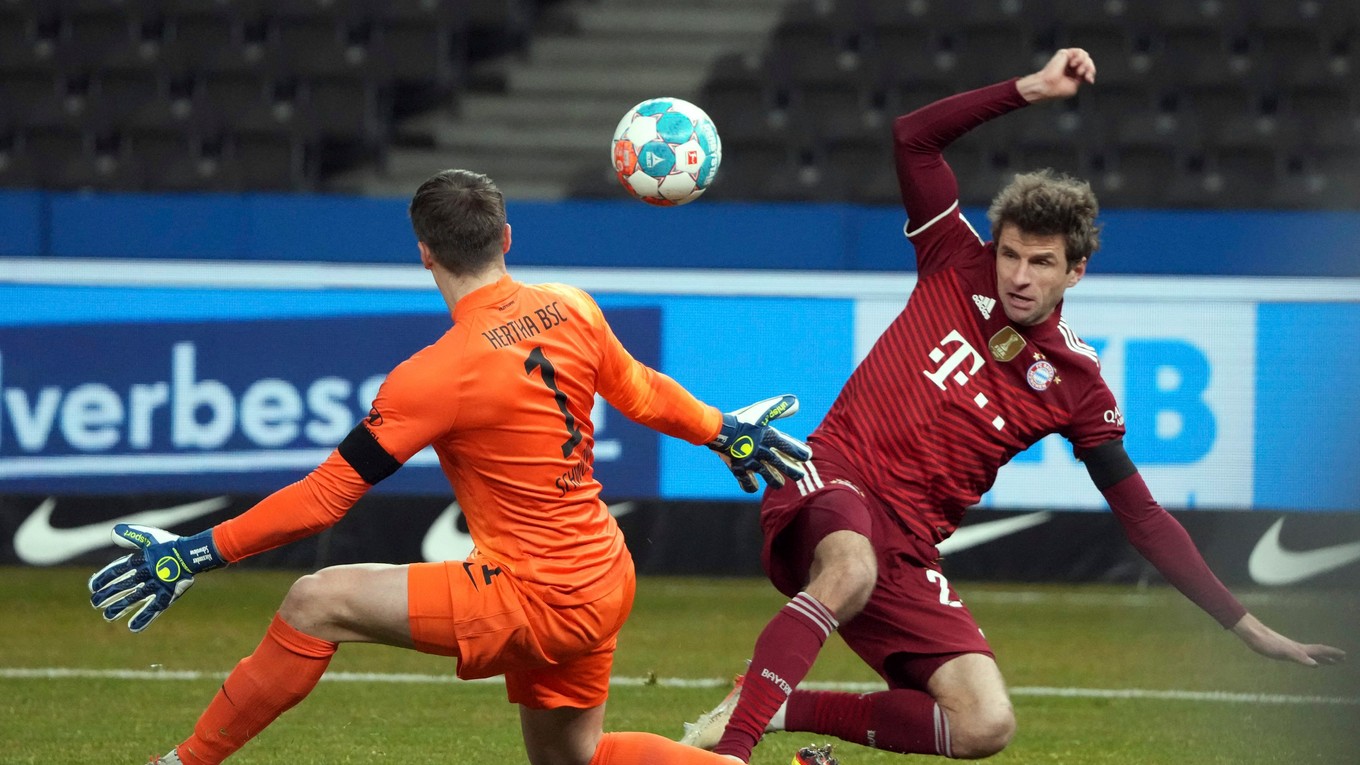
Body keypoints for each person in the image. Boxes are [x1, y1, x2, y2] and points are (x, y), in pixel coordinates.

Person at [678, 49, 1347, 764]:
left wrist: (1246, 627)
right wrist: (1031, 88)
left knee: (983, 723)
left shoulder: (1077, 384)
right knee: (850, 566)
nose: (1020, 277)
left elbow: (1143, 518)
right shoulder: (952, 259)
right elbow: (913, 136)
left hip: (908, 543)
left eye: (1042, 263)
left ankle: (774, 703)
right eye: (1012, 256)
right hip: (833, 474)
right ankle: (731, 754)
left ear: (1076, 270)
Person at [87, 169, 813, 765]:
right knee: (575, 759)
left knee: (316, 600)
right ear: (505, 238)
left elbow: (322, 501)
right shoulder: (571, 306)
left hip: (536, 594)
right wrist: (726, 432)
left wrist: (196, 551)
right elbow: (643, 390)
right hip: (601, 572)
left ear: (425, 253)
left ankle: (183, 763)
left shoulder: (433, 376)